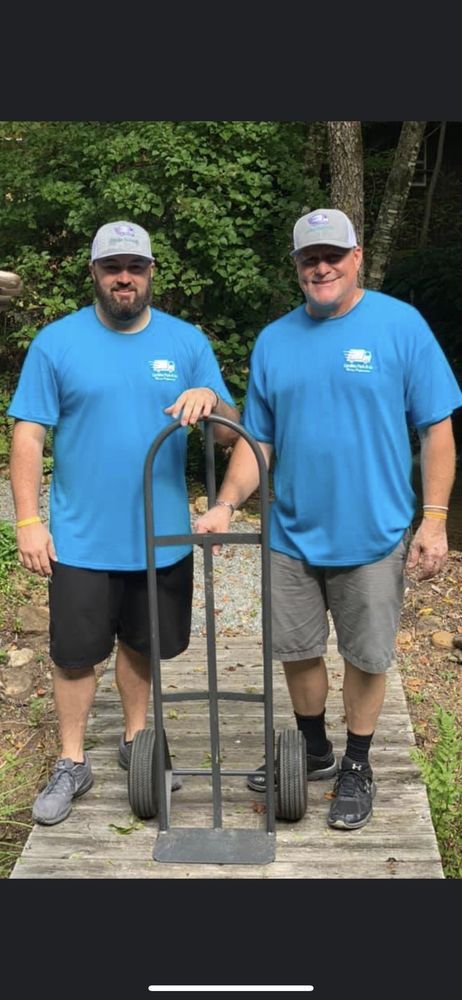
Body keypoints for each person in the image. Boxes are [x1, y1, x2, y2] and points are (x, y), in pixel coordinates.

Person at [196, 207, 462, 831]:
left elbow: (438, 429)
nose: (322, 266)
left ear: (356, 257)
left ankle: (358, 762)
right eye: (309, 257)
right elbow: (257, 442)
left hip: (373, 533)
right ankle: (314, 748)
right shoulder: (274, 340)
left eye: (332, 254)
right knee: (297, 648)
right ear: (296, 266)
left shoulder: (401, 327)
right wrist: (226, 504)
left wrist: (434, 520)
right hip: (290, 532)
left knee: (367, 656)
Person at [8, 220, 239, 826]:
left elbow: (230, 432)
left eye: (135, 267)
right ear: (95, 274)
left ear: (151, 273)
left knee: (143, 643)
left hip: (159, 539)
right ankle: (71, 760)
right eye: (113, 268)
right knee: (74, 654)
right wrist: (28, 520)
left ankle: (138, 740)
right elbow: (29, 434)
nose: (124, 278)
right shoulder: (56, 343)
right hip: (81, 538)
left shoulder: (187, 344)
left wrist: (211, 400)